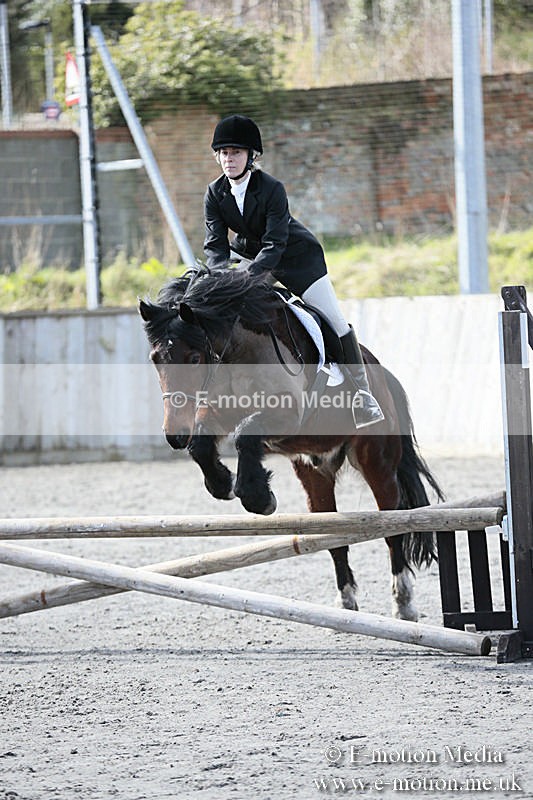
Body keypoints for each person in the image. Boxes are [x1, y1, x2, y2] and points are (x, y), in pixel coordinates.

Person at [203, 114, 384, 428]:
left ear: (250, 156)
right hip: (250, 254)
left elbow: (275, 242)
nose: (229, 159)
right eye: (224, 153)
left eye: (236, 152)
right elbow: (215, 244)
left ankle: (362, 395)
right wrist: (222, 277)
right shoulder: (214, 192)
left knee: (334, 319)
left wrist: (248, 277)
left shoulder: (272, 188)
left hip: (296, 258)